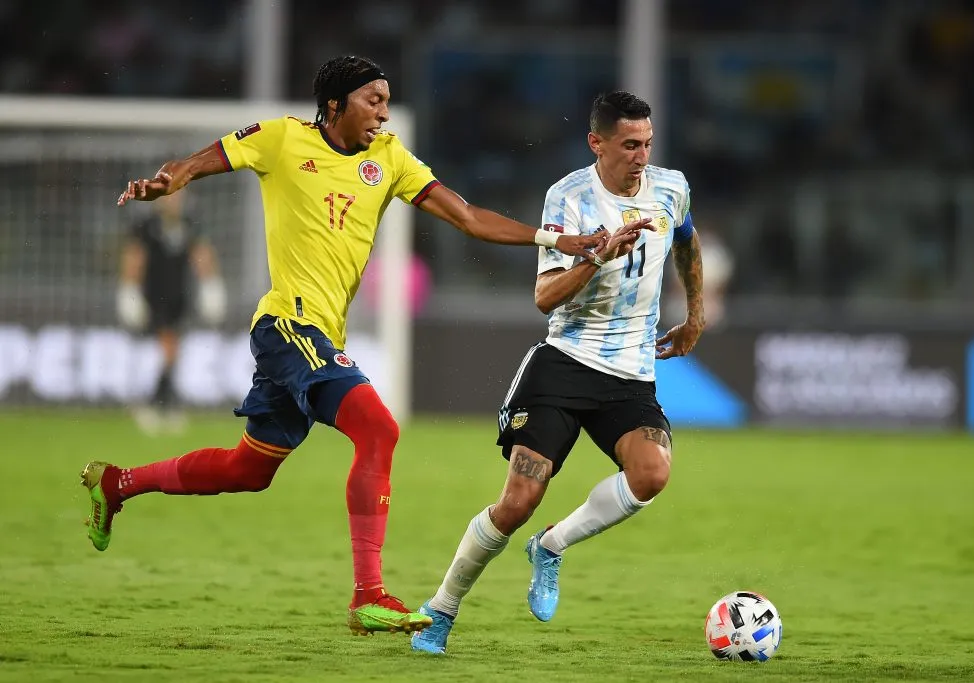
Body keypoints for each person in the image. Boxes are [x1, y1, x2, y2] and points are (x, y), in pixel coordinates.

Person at [80, 56, 634, 637]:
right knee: (380, 429)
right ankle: (368, 594)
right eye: (373, 99)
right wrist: (170, 180)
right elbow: (198, 161)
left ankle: (117, 483)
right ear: (336, 103)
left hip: (320, 334)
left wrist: (560, 238)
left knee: (249, 469)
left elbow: (468, 217)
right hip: (289, 326)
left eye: (387, 100)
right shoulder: (280, 139)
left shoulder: (388, 157)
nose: (384, 112)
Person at [411, 91, 705, 654]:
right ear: (596, 143)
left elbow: (686, 243)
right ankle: (441, 610)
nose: (641, 156)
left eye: (647, 143)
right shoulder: (569, 197)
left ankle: (551, 546)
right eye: (628, 145)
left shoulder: (672, 187)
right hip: (566, 364)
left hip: (630, 374)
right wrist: (597, 256)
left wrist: (695, 314)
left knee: (652, 475)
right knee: (519, 499)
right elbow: (544, 297)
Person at [117, 189, 227, 434]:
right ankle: (156, 404)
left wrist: (211, 285)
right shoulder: (147, 225)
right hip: (153, 297)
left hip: (179, 297)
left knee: (172, 353)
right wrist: (128, 289)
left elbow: (201, 253)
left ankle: (160, 404)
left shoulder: (189, 222)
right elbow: (135, 256)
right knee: (167, 350)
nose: (174, 200)